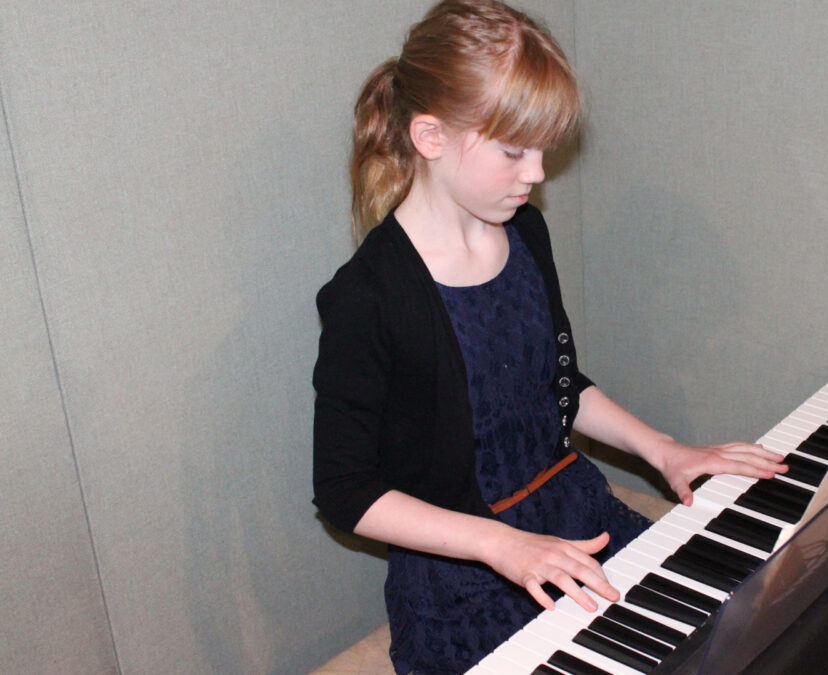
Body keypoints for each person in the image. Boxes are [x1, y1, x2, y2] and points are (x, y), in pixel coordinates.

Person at [311, 1, 787, 672]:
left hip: (572, 513)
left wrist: (665, 450)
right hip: (466, 573)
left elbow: (554, 388)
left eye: (542, 148)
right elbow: (345, 490)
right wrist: (502, 545)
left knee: (728, 628)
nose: (536, 173)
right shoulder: (370, 296)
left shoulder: (525, 233)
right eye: (514, 151)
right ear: (429, 136)